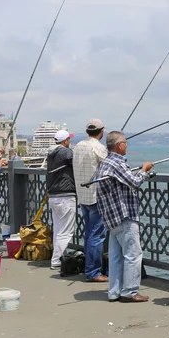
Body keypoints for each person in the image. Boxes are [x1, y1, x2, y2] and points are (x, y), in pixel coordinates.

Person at [96, 131, 153, 302]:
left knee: (116, 257)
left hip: (111, 217)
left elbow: (123, 182)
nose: (127, 145)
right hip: (124, 215)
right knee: (133, 254)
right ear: (120, 145)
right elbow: (135, 182)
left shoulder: (105, 163)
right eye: (125, 143)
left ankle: (114, 292)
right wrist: (144, 170)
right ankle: (130, 291)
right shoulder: (117, 163)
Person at [73, 118, 109, 282]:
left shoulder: (78, 146)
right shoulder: (98, 148)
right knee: (97, 235)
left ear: (87, 131)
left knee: (89, 234)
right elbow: (109, 167)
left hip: (82, 196)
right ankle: (93, 272)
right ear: (101, 131)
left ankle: (89, 268)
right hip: (96, 197)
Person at [46, 129, 77, 270]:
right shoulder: (66, 152)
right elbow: (76, 166)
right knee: (66, 231)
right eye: (68, 139)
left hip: (53, 196)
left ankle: (58, 258)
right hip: (66, 196)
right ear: (65, 141)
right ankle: (57, 261)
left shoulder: (51, 154)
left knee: (58, 230)